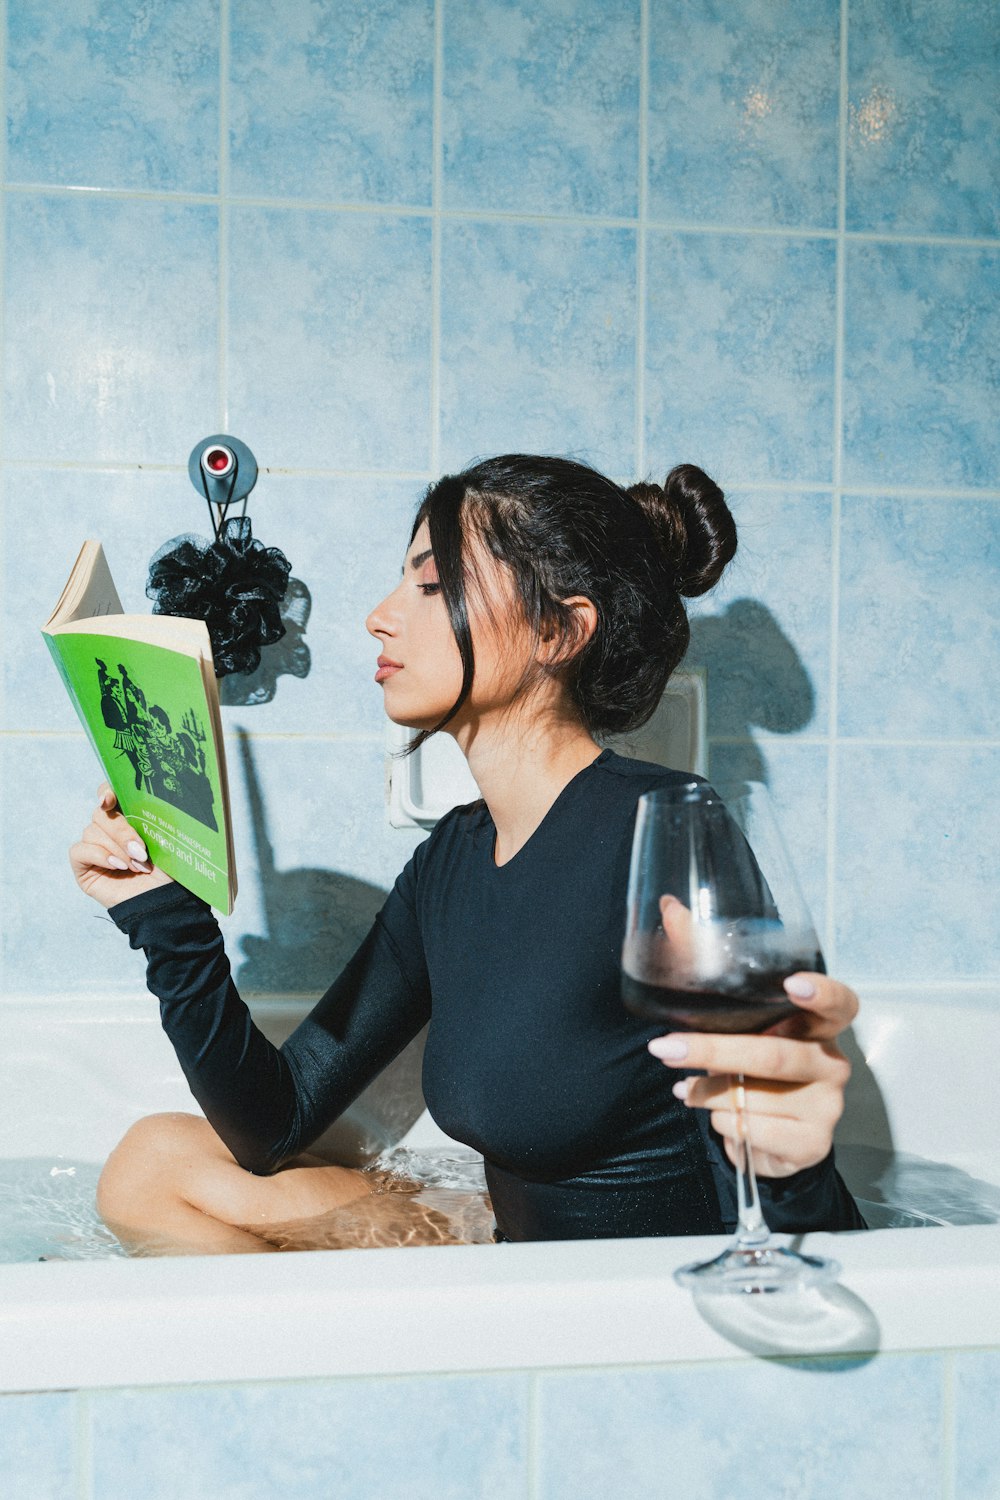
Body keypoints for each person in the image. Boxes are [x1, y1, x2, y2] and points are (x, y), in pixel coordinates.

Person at [71, 455, 863, 1255]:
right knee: (152, 1164)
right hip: (508, 1255)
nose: (379, 616)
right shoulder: (452, 855)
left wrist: (794, 1168)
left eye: (431, 585)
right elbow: (273, 1123)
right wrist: (166, 914)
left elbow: (779, 1203)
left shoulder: (661, 835)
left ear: (558, 630)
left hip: (630, 1307)